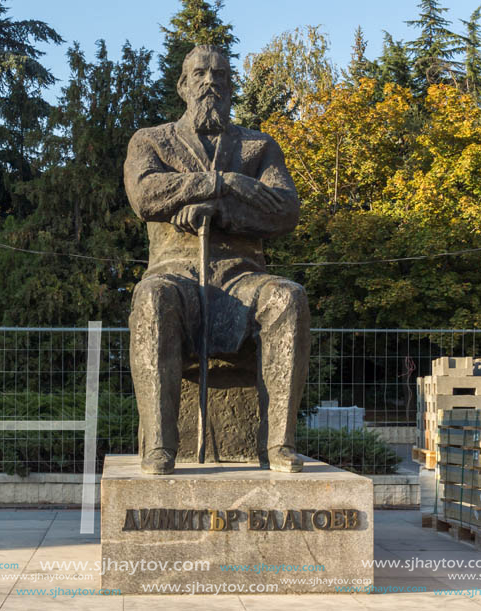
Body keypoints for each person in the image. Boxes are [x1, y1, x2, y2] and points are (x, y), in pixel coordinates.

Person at [124, 44, 310, 475]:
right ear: (183, 86)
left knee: (289, 298)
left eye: (220, 75)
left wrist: (222, 212)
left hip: (241, 279)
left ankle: (279, 445)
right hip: (176, 277)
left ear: (230, 87)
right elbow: (146, 194)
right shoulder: (152, 140)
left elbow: (284, 209)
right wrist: (223, 182)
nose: (211, 82)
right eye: (201, 74)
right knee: (151, 299)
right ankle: (160, 448)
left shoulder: (257, 146)